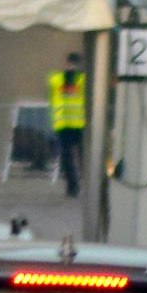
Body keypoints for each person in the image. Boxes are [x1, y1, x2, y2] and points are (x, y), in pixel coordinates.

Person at [47, 52, 90, 197]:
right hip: (79, 124)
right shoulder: (83, 79)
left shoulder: (56, 79)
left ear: (67, 62)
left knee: (67, 157)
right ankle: (88, 185)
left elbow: (52, 98)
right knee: (84, 156)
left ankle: (73, 187)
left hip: (62, 124)